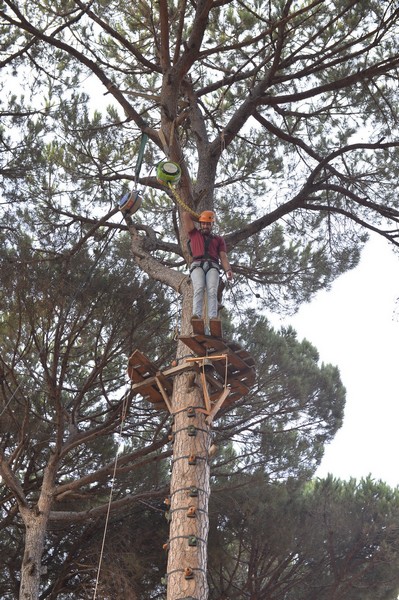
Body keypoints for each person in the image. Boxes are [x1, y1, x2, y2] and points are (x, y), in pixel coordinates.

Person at [182, 210, 233, 322]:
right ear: (200, 223)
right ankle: (197, 316)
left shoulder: (218, 239)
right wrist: (201, 217)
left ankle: (213, 318)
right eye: (203, 223)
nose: (205, 226)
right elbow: (185, 214)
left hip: (213, 266)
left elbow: (223, 257)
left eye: (208, 224)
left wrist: (228, 269)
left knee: (212, 291)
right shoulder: (194, 233)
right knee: (199, 288)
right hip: (197, 265)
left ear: (212, 224)